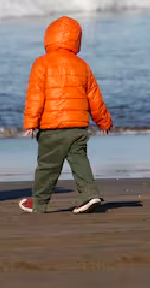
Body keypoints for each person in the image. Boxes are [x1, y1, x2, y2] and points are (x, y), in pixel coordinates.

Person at [19, 16, 113, 214]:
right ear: (76, 40)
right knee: (80, 161)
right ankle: (90, 194)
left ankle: (39, 203)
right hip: (77, 126)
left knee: (47, 167)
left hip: (51, 128)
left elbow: (35, 95)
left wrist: (31, 122)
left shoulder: (42, 63)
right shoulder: (82, 65)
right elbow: (94, 97)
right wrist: (103, 121)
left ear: (49, 37)